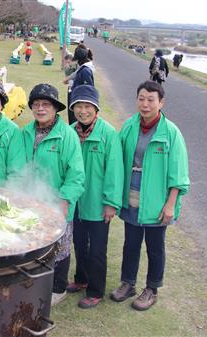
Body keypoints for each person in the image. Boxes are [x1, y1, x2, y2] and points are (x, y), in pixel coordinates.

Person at [110, 81, 190, 311]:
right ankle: (128, 283)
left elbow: (179, 173)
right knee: (131, 242)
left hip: (157, 197)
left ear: (161, 102)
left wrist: (170, 204)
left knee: (155, 245)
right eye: (141, 99)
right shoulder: (129, 126)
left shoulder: (170, 132)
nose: (145, 104)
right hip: (132, 192)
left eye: (151, 100)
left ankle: (152, 289)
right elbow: (117, 160)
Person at [23, 84, 85, 306]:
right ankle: (34, 282)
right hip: (32, 200)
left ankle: (59, 287)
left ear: (55, 108)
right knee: (34, 244)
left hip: (58, 202)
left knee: (60, 247)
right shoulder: (27, 132)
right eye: (37, 104)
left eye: (46, 104)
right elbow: (21, 165)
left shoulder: (66, 135)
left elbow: (76, 173)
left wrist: (66, 199)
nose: (41, 109)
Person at [66, 85, 124, 309]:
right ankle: (81, 279)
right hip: (76, 200)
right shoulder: (70, 131)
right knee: (79, 243)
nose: (83, 111)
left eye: (87, 106)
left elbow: (115, 171)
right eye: (78, 106)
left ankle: (95, 290)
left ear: (96, 109)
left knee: (97, 248)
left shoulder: (108, 134)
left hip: (98, 202)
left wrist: (111, 203)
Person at [68, 44, 95, 124]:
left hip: (80, 101)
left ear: (79, 60)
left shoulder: (85, 71)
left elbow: (88, 89)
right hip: (76, 99)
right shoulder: (83, 68)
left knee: (76, 122)